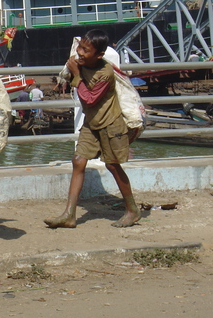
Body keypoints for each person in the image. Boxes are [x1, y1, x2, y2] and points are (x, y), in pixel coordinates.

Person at [43, 29, 141, 230]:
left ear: (99, 55)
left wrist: (77, 74)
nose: (80, 52)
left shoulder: (105, 73)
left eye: (86, 50)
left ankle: (132, 210)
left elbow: (88, 98)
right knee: (78, 161)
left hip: (110, 123)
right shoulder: (80, 63)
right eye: (80, 47)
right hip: (91, 122)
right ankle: (69, 214)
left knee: (113, 165)